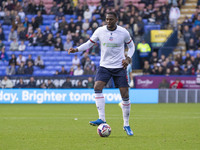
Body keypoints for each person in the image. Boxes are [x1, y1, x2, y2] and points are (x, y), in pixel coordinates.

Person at [68, 12, 135, 136]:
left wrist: (128, 58)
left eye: (111, 19)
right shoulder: (100, 31)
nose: (108, 21)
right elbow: (89, 43)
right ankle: (102, 118)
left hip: (119, 67)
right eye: (107, 19)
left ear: (116, 19)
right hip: (104, 66)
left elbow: (132, 47)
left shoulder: (123, 32)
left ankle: (126, 125)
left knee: (125, 95)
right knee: (97, 87)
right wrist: (76, 49)